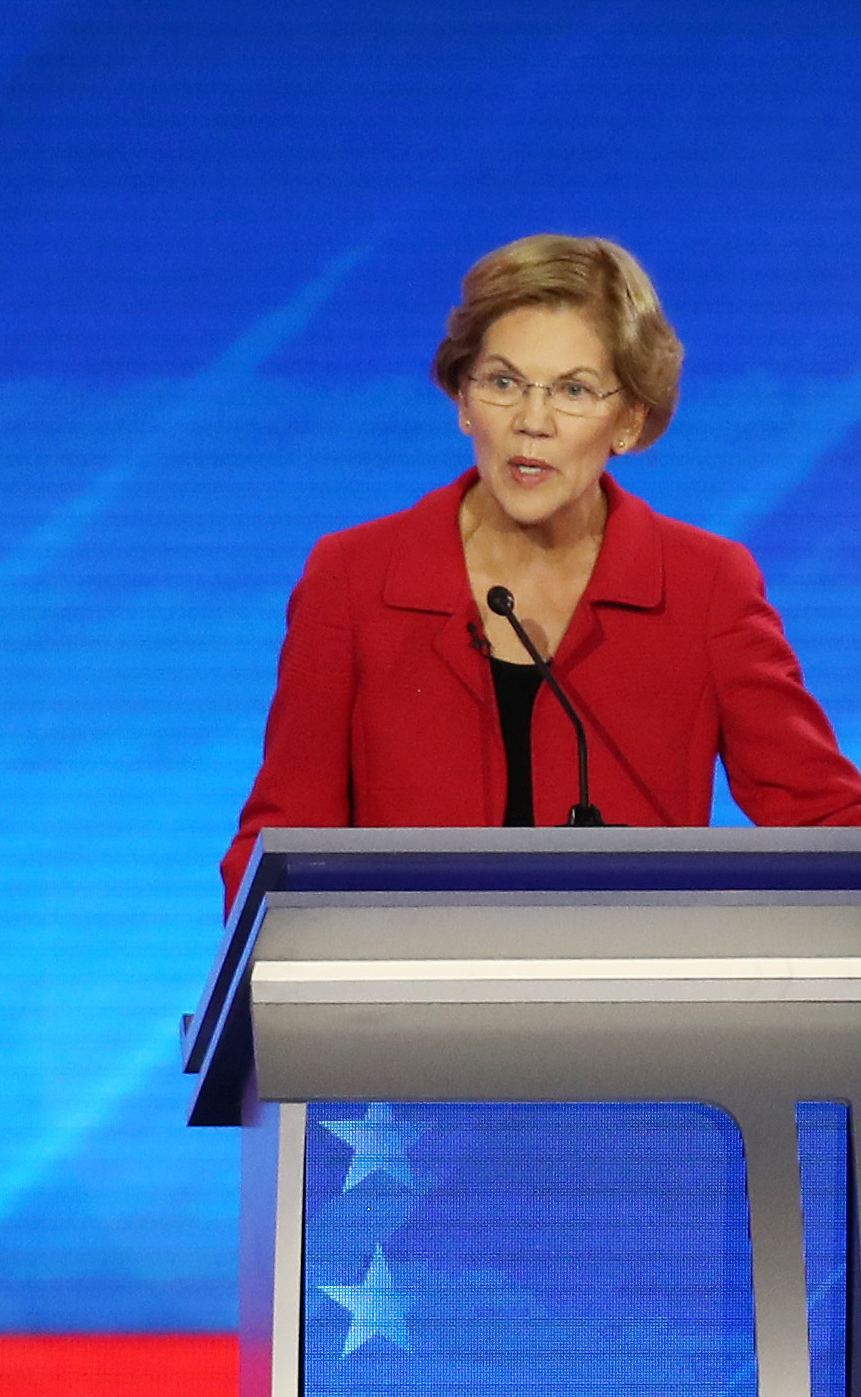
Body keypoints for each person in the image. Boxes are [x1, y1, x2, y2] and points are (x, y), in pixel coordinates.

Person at [221, 234, 861, 911]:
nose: (532, 422)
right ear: (463, 399)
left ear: (629, 419)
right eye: (503, 383)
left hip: (629, 974)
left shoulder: (704, 587)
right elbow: (278, 843)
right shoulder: (353, 578)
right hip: (402, 976)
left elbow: (825, 821)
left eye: (573, 390)